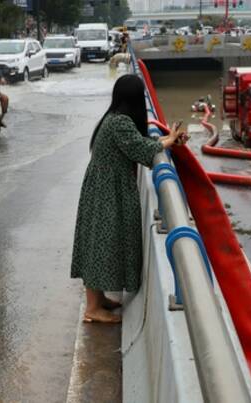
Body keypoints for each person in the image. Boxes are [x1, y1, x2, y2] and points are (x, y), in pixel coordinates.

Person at [71, 74, 187, 324]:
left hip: (104, 185)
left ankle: (98, 299)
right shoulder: (120, 123)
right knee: (101, 243)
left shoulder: (114, 119)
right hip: (107, 189)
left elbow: (138, 143)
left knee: (99, 241)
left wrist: (167, 140)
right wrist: (167, 142)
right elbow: (142, 150)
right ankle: (92, 309)